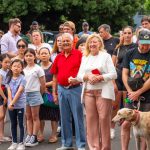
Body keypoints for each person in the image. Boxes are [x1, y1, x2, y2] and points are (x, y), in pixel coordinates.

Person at [69, 34, 117, 150]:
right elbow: (79, 76)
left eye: (94, 42)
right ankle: (94, 148)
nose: (92, 44)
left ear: (100, 43)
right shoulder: (85, 57)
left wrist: (100, 77)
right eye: (90, 43)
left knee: (104, 120)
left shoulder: (105, 56)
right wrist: (87, 76)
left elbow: (114, 74)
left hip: (103, 92)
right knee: (91, 122)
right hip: (88, 92)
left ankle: (105, 148)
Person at [51, 33, 86, 150]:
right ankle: (66, 144)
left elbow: (85, 71)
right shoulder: (58, 57)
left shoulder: (79, 54)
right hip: (61, 89)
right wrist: (54, 93)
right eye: (63, 41)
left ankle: (81, 145)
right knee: (64, 118)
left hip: (75, 89)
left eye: (67, 41)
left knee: (78, 118)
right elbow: (55, 76)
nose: (65, 43)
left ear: (73, 42)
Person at [121, 29, 150, 150]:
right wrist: (130, 92)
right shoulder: (130, 53)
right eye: (142, 43)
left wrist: (138, 93)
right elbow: (124, 74)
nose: (145, 46)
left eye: (147, 43)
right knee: (125, 125)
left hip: (147, 96)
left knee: (144, 128)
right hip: (131, 95)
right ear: (137, 41)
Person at [111, 26, 137, 139]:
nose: (127, 35)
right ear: (122, 34)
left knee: (127, 105)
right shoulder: (118, 48)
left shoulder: (136, 47)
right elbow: (111, 66)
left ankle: (127, 128)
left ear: (132, 34)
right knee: (115, 105)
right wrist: (112, 82)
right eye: (125, 33)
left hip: (129, 82)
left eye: (129, 33)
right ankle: (112, 128)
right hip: (118, 80)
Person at [23, 48, 46, 147]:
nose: (28, 57)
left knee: (35, 117)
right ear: (24, 57)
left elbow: (43, 84)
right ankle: (29, 134)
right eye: (27, 56)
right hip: (25, 94)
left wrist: (39, 94)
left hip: (35, 94)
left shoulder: (38, 68)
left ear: (34, 56)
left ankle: (34, 136)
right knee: (28, 117)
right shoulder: (23, 69)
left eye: (30, 55)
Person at [38, 47, 60, 143]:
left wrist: (44, 85)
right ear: (38, 55)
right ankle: (40, 134)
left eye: (45, 53)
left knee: (53, 115)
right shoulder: (37, 66)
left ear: (49, 55)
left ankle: (54, 135)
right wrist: (42, 88)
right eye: (41, 53)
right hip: (39, 93)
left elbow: (56, 79)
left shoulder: (54, 66)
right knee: (40, 115)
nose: (43, 55)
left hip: (52, 92)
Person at [6, 59, 26, 150]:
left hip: (20, 104)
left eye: (19, 66)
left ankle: (21, 143)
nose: (16, 68)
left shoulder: (23, 78)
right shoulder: (8, 77)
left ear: (22, 68)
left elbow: (20, 91)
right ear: (11, 67)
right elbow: (9, 90)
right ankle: (14, 142)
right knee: (13, 123)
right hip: (11, 105)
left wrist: (12, 103)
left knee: (21, 124)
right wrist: (10, 103)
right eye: (14, 66)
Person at [0, 54, 11, 144]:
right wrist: (4, 98)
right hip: (2, 95)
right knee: (1, 116)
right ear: (1, 62)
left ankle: (1, 135)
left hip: (7, 94)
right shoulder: (1, 72)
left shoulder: (9, 71)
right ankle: (1, 135)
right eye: (5, 62)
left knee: (2, 116)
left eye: (9, 62)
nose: (8, 64)